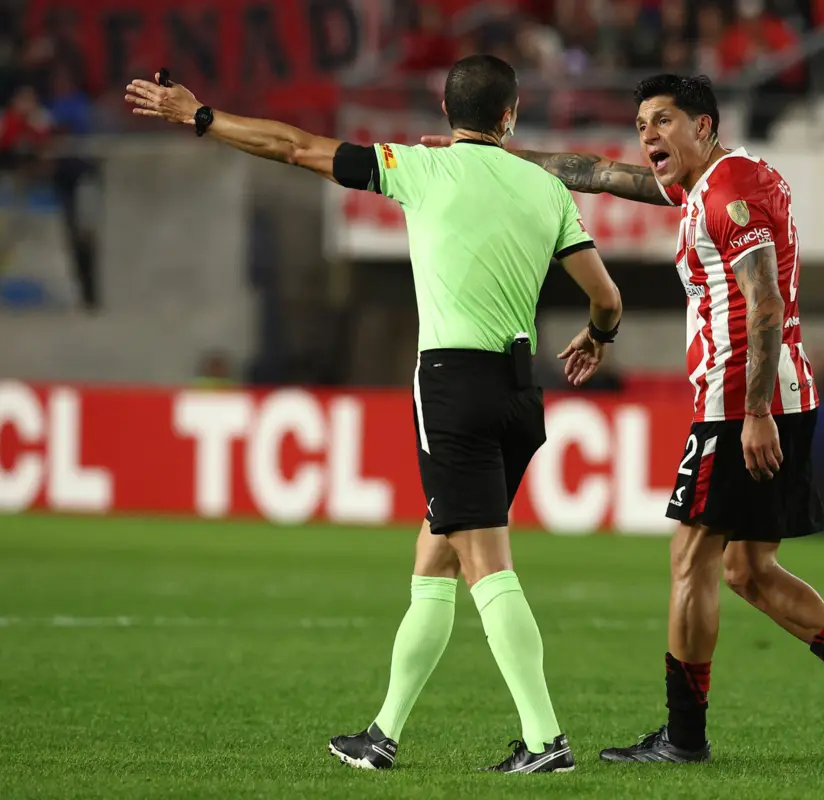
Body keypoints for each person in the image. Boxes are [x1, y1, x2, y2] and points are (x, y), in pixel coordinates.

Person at [125, 54, 623, 775]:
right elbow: (605, 297)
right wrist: (598, 338)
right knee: (436, 555)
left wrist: (199, 116)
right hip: (520, 393)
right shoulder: (544, 188)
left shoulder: (418, 168)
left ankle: (548, 742)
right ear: (511, 116)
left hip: (454, 385)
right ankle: (382, 734)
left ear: (446, 115)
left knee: (484, 562)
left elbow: (294, 146)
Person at [425, 74, 824, 765]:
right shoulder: (706, 185)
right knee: (747, 569)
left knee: (691, 558)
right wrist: (488, 155)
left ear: (705, 126)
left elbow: (765, 302)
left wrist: (751, 414)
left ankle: (685, 740)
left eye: (663, 120)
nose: (648, 135)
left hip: (742, 403)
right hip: (769, 398)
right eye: (642, 124)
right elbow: (594, 174)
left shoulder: (726, 191)